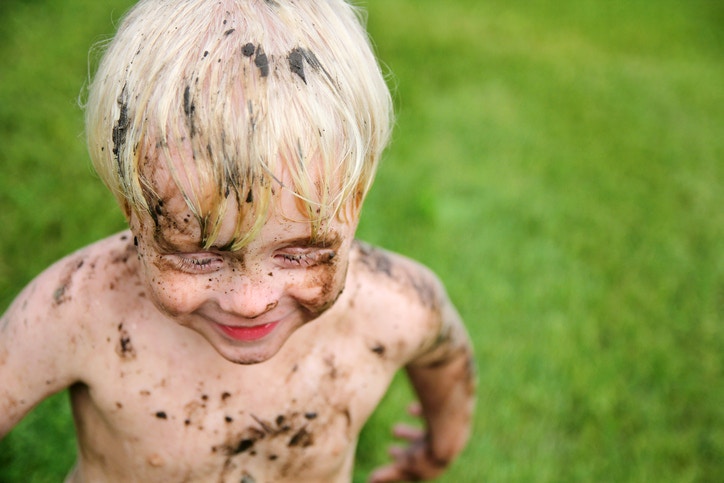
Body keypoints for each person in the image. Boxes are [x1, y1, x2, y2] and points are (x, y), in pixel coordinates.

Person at [0, 0, 476, 481]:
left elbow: (444, 353)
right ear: (131, 208)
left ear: (356, 199)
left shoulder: (394, 306)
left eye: (299, 252)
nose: (250, 301)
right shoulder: (78, 310)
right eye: (200, 258)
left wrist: (440, 445)